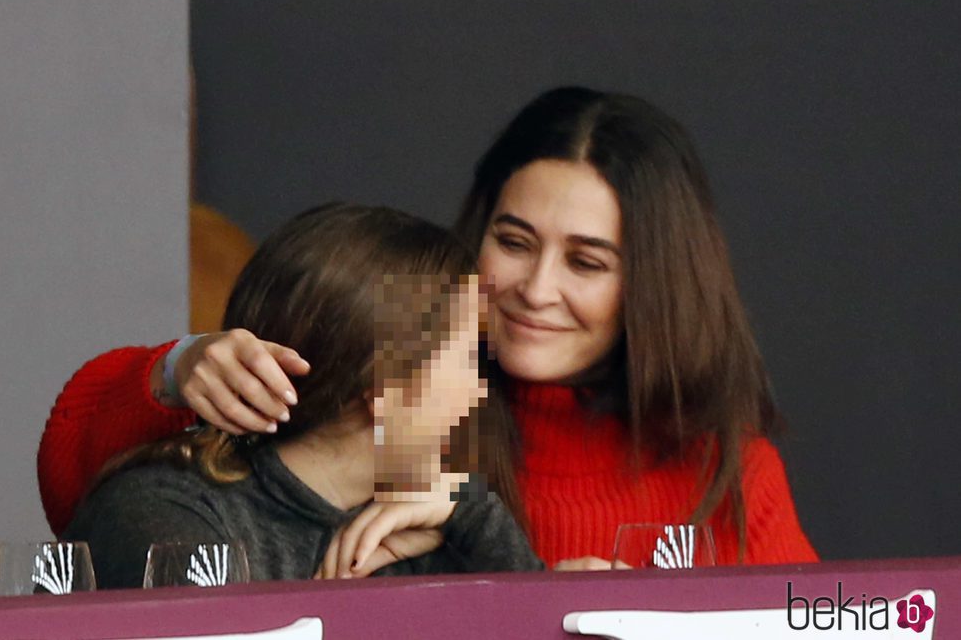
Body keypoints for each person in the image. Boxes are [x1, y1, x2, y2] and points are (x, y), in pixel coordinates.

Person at [40, 86, 818, 568]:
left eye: (586, 262)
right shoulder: (406, 404)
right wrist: (178, 368)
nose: (534, 289)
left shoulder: (724, 470)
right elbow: (92, 483)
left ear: (652, 286)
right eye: (512, 242)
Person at [62, 203, 542, 588]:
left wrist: (472, 513)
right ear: (385, 389)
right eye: (467, 360)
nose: (481, 388)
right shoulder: (165, 513)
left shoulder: (436, 526)